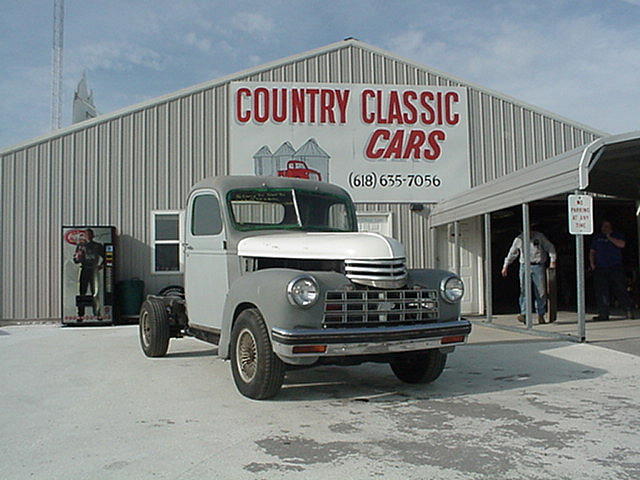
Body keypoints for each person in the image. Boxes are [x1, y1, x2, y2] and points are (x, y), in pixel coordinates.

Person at [501, 227, 556, 324]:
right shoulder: (519, 239)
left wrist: (553, 260)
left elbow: (550, 247)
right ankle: (524, 313)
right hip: (524, 266)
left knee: (541, 291)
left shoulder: (539, 237)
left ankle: (541, 314)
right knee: (524, 290)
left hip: (538, 265)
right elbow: (512, 253)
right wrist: (505, 266)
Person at [589, 220, 634, 321]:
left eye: (607, 226)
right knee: (602, 292)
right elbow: (592, 251)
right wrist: (592, 263)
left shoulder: (617, 235)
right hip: (600, 268)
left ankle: (628, 310)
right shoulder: (597, 238)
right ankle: (603, 314)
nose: (605, 228)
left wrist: (609, 237)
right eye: (603, 226)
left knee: (620, 289)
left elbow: (622, 245)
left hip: (615, 267)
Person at [73, 229, 104, 318]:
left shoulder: (97, 246)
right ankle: (80, 314)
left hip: (94, 270)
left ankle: (97, 313)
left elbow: (107, 257)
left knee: (95, 292)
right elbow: (75, 260)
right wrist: (78, 257)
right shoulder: (80, 246)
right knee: (82, 291)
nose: (88, 236)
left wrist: (101, 266)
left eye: (90, 234)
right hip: (84, 269)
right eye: (86, 235)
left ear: (93, 235)